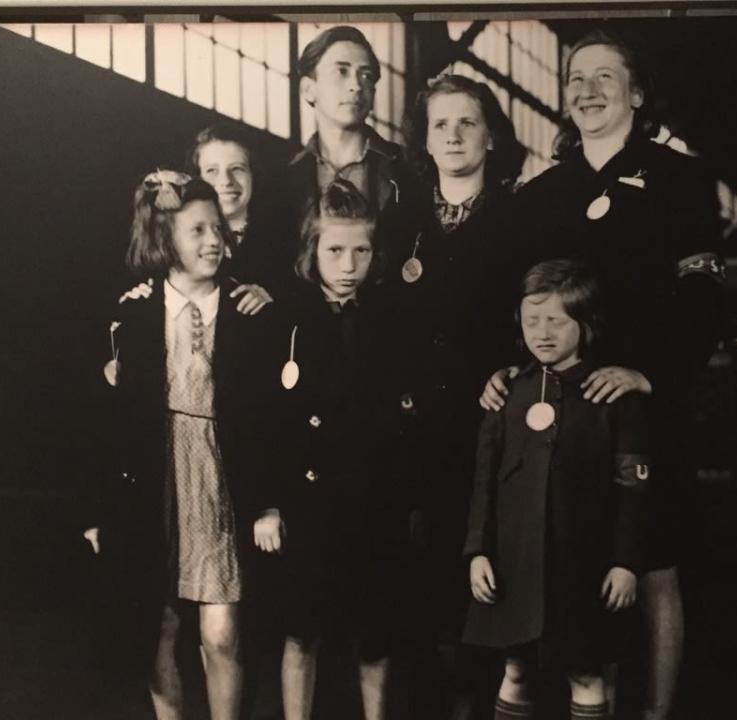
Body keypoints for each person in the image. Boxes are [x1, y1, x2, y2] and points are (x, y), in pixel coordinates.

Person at [481, 29, 726, 720]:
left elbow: (704, 299)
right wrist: (515, 370)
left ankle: (656, 713)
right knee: (573, 557)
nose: (585, 91)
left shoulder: (680, 180)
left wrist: (651, 376)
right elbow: (518, 302)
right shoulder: (540, 195)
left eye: (604, 78)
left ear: (637, 95)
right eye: (575, 78)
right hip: (562, 412)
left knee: (652, 562)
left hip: (644, 406)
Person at [85, 171, 277, 720]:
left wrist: (267, 502)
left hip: (220, 479)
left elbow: (269, 422)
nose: (213, 240)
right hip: (155, 481)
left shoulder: (249, 311)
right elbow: (107, 426)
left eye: (217, 228)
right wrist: (100, 512)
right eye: (197, 230)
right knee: (159, 627)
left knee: (220, 632)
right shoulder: (131, 314)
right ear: (164, 238)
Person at [391, 72, 527, 715]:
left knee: (484, 572)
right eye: (440, 123)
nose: (452, 134)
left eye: (467, 122)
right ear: (423, 138)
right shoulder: (402, 221)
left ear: (492, 137)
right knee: (417, 579)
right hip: (415, 430)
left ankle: (481, 702)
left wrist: (511, 370)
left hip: (490, 423)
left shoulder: (520, 218)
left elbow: (540, 315)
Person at [252, 178, 413, 720]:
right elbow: (268, 422)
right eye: (335, 250)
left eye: (361, 250)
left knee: (374, 636)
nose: (349, 264)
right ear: (311, 251)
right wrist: (269, 504)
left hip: (373, 503)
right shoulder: (284, 320)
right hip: (307, 503)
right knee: (302, 632)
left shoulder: (391, 320)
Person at [464, 259, 650, 720]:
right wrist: (478, 552)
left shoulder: (611, 395)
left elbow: (632, 492)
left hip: (581, 565)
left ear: (585, 325)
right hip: (514, 562)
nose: (542, 333)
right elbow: (483, 483)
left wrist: (626, 563)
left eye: (556, 321)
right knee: (517, 669)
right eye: (532, 321)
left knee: (585, 674)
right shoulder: (505, 392)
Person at [262, 25, 417, 297]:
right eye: (341, 71)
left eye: (366, 75)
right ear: (309, 89)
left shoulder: (406, 168)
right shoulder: (282, 177)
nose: (356, 85)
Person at [187, 123, 272, 315]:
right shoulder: (180, 240)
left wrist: (272, 296)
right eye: (212, 171)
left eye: (237, 169)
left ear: (253, 175)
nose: (226, 181)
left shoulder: (282, 238)